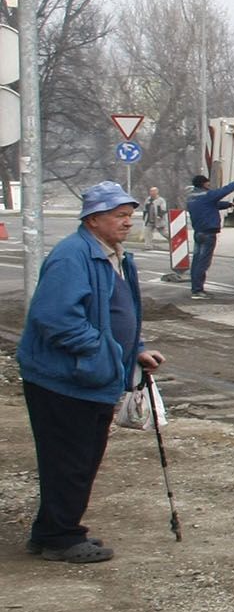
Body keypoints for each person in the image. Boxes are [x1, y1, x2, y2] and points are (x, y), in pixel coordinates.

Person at [16, 182, 165, 564]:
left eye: (129, 215)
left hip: (90, 376)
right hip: (65, 380)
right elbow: (54, 318)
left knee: (79, 458)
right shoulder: (73, 256)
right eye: (119, 216)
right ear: (94, 219)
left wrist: (138, 347)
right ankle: (59, 538)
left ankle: (53, 531)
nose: (127, 222)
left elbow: (118, 309)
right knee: (70, 460)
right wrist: (102, 351)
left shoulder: (112, 254)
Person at [184, 173, 234, 296]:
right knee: (203, 263)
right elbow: (224, 191)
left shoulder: (192, 197)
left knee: (196, 261)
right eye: (208, 183)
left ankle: (195, 287)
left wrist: (230, 204)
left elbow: (211, 205)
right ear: (204, 184)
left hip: (198, 232)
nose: (209, 185)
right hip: (208, 233)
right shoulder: (207, 195)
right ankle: (198, 290)